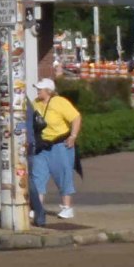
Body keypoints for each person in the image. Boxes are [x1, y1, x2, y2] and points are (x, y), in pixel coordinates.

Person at [28, 77, 82, 224]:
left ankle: (67, 207)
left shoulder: (60, 102)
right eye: (37, 88)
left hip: (59, 145)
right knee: (37, 176)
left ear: (49, 91)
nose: (38, 91)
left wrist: (73, 136)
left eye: (40, 89)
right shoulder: (35, 103)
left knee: (63, 174)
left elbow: (76, 118)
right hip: (42, 146)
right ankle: (38, 207)